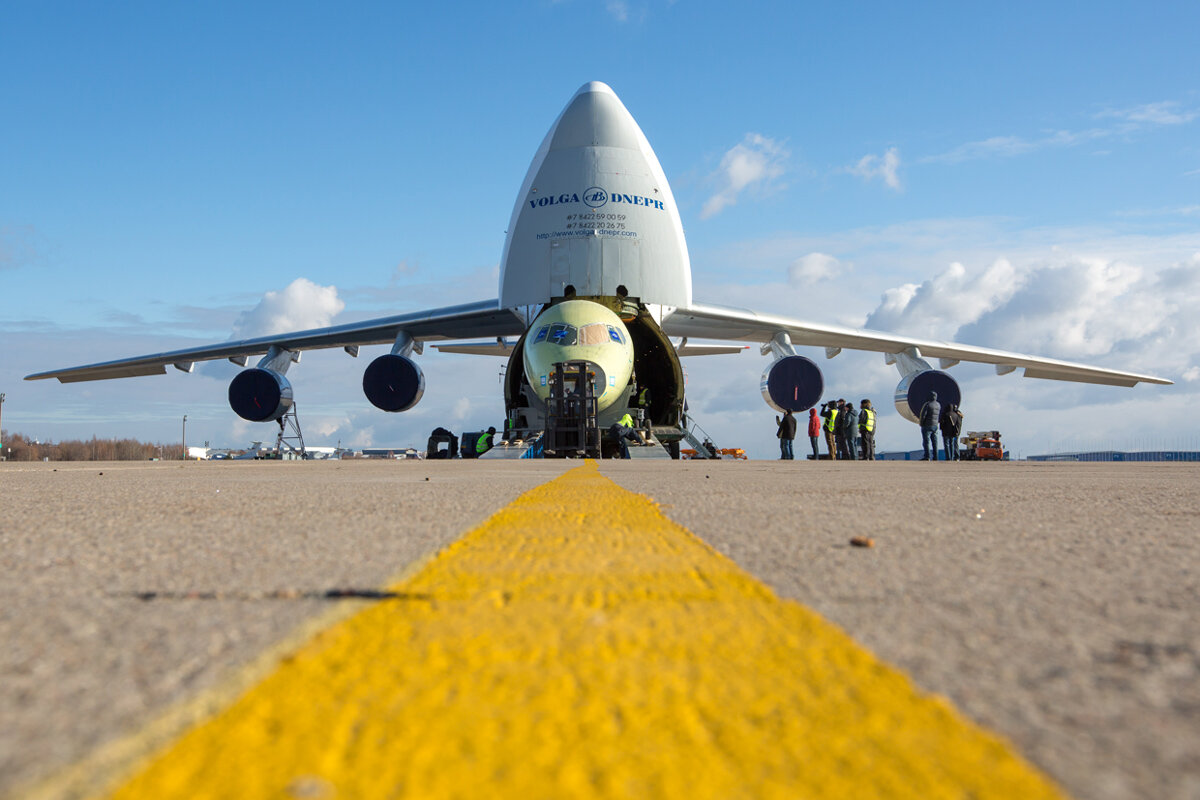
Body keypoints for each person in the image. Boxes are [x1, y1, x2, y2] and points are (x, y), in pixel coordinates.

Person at [918, 391, 941, 461]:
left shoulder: (927, 404)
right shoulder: (938, 405)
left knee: (926, 442)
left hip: (927, 425)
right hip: (935, 425)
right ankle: (936, 457)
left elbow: (923, 415)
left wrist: (921, 423)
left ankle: (927, 456)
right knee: (935, 442)